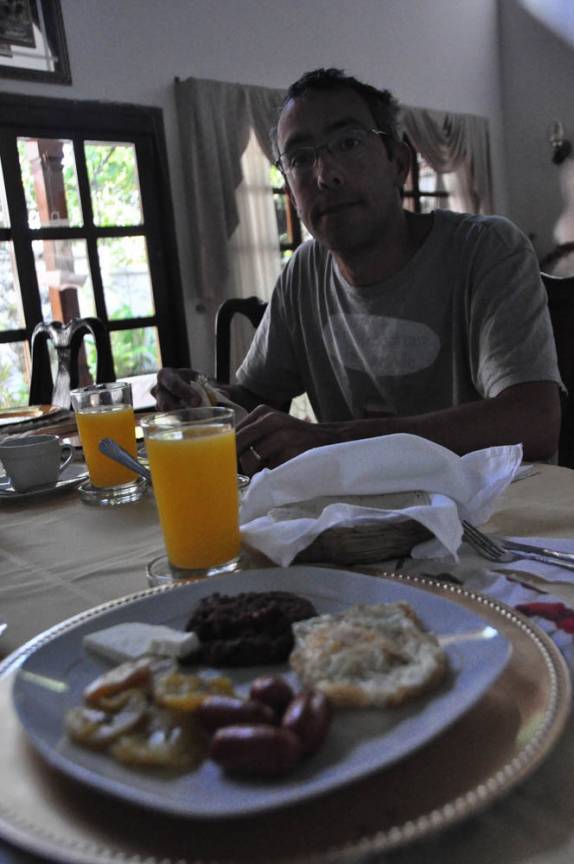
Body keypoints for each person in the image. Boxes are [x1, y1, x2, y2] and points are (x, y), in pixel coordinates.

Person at [154, 67, 562, 476]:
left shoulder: (484, 249)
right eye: (299, 158)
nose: (325, 174)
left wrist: (331, 439)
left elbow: (533, 421)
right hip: (360, 526)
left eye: (348, 143)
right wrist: (206, 399)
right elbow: (254, 395)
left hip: (496, 519)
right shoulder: (304, 273)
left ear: (398, 162)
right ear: (290, 191)